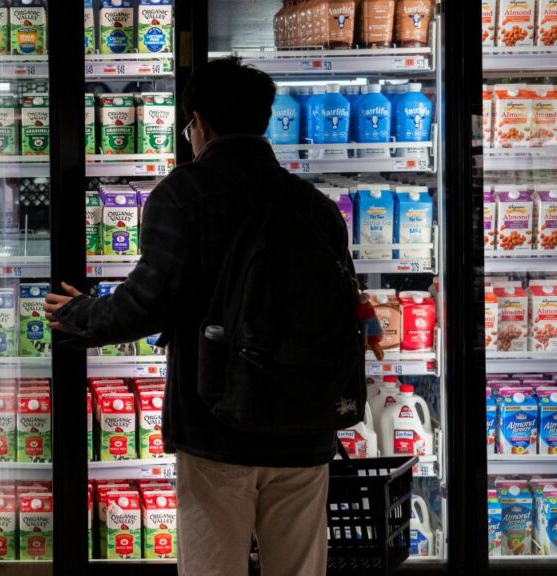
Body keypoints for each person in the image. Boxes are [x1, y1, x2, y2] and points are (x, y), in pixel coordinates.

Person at [45, 57, 353, 576]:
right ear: (263, 119)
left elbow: (147, 302)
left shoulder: (184, 193)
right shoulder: (314, 205)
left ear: (200, 124)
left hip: (217, 423)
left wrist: (78, 314)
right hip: (306, 425)